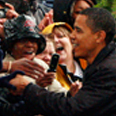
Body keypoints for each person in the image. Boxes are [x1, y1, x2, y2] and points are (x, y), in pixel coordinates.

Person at [9, 7, 116, 116]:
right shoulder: (101, 63)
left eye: (78, 30)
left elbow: (72, 109)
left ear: (99, 36)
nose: (72, 36)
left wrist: (28, 89)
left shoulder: (108, 71)